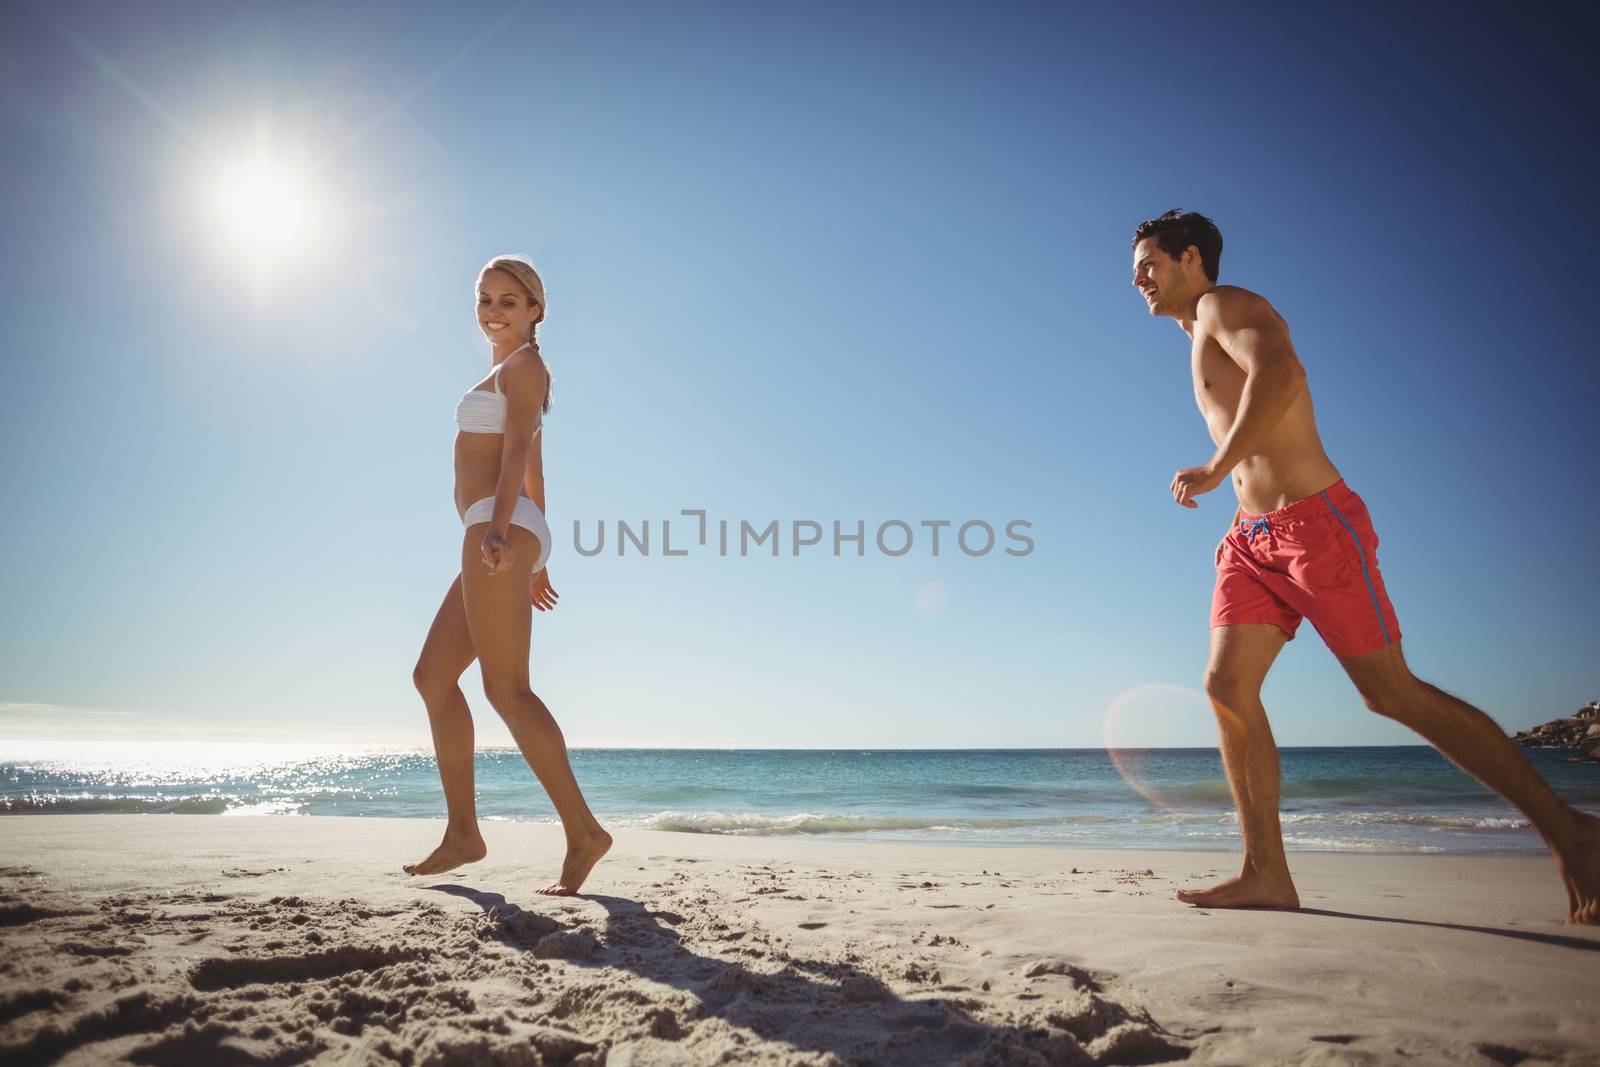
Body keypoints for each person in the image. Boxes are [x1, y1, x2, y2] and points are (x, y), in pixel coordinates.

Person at [1129, 210, 1598, 923]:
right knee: (1226, 684)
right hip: (1252, 539)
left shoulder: (1226, 305)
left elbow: (1282, 374)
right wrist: (1241, 504)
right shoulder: (1194, 333)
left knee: (1390, 693)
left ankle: (1572, 833)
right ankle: (1266, 872)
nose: (1137, 277)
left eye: (1149, 263)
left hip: (1318, 528)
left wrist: (1219, 467)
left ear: (1192, 257)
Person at [404, 254, 611, 895]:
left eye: (509, 301)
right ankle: (464, 831)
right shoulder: (508, 371)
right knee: (434, 676)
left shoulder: (525, 366)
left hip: (495, 526)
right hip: (505, 526)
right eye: (485, 299)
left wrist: (502, 531)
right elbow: (537, 471)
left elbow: (519, 452)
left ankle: (583, 833)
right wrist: (534, 553)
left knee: (507, 688)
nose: (494, 310)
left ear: (535, 311)